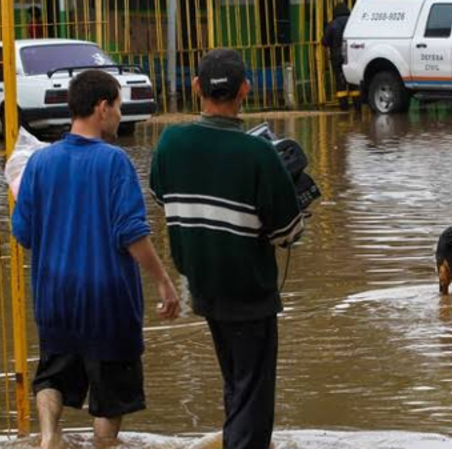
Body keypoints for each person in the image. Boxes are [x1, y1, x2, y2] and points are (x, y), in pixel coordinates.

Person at [12, 69, 181, 449]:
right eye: (119, 107)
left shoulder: (38, 164)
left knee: (52, 375)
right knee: (109, 395)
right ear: (102, 107)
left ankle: (50, 437)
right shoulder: (114, 162)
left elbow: (23, 234)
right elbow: (131, 233)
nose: (120, 115)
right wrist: (163, 280)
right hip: (107, 301)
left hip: (54, 296)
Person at [149, 48, 304, 449]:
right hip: (250, 294)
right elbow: (288, 232)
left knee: (238, 384)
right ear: (245, 90)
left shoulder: (170, 142)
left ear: (197, 86)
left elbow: (165, 198)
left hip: (204, 289)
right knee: (253, 397)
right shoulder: (258, 153)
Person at [322, 3, 354, 110]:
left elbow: (325, 42)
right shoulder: (353, 22)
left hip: (337, 56)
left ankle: (344, 107)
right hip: (352, 55)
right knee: (353, 79)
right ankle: (358, 105)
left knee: (340, 80)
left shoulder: (332, 24)